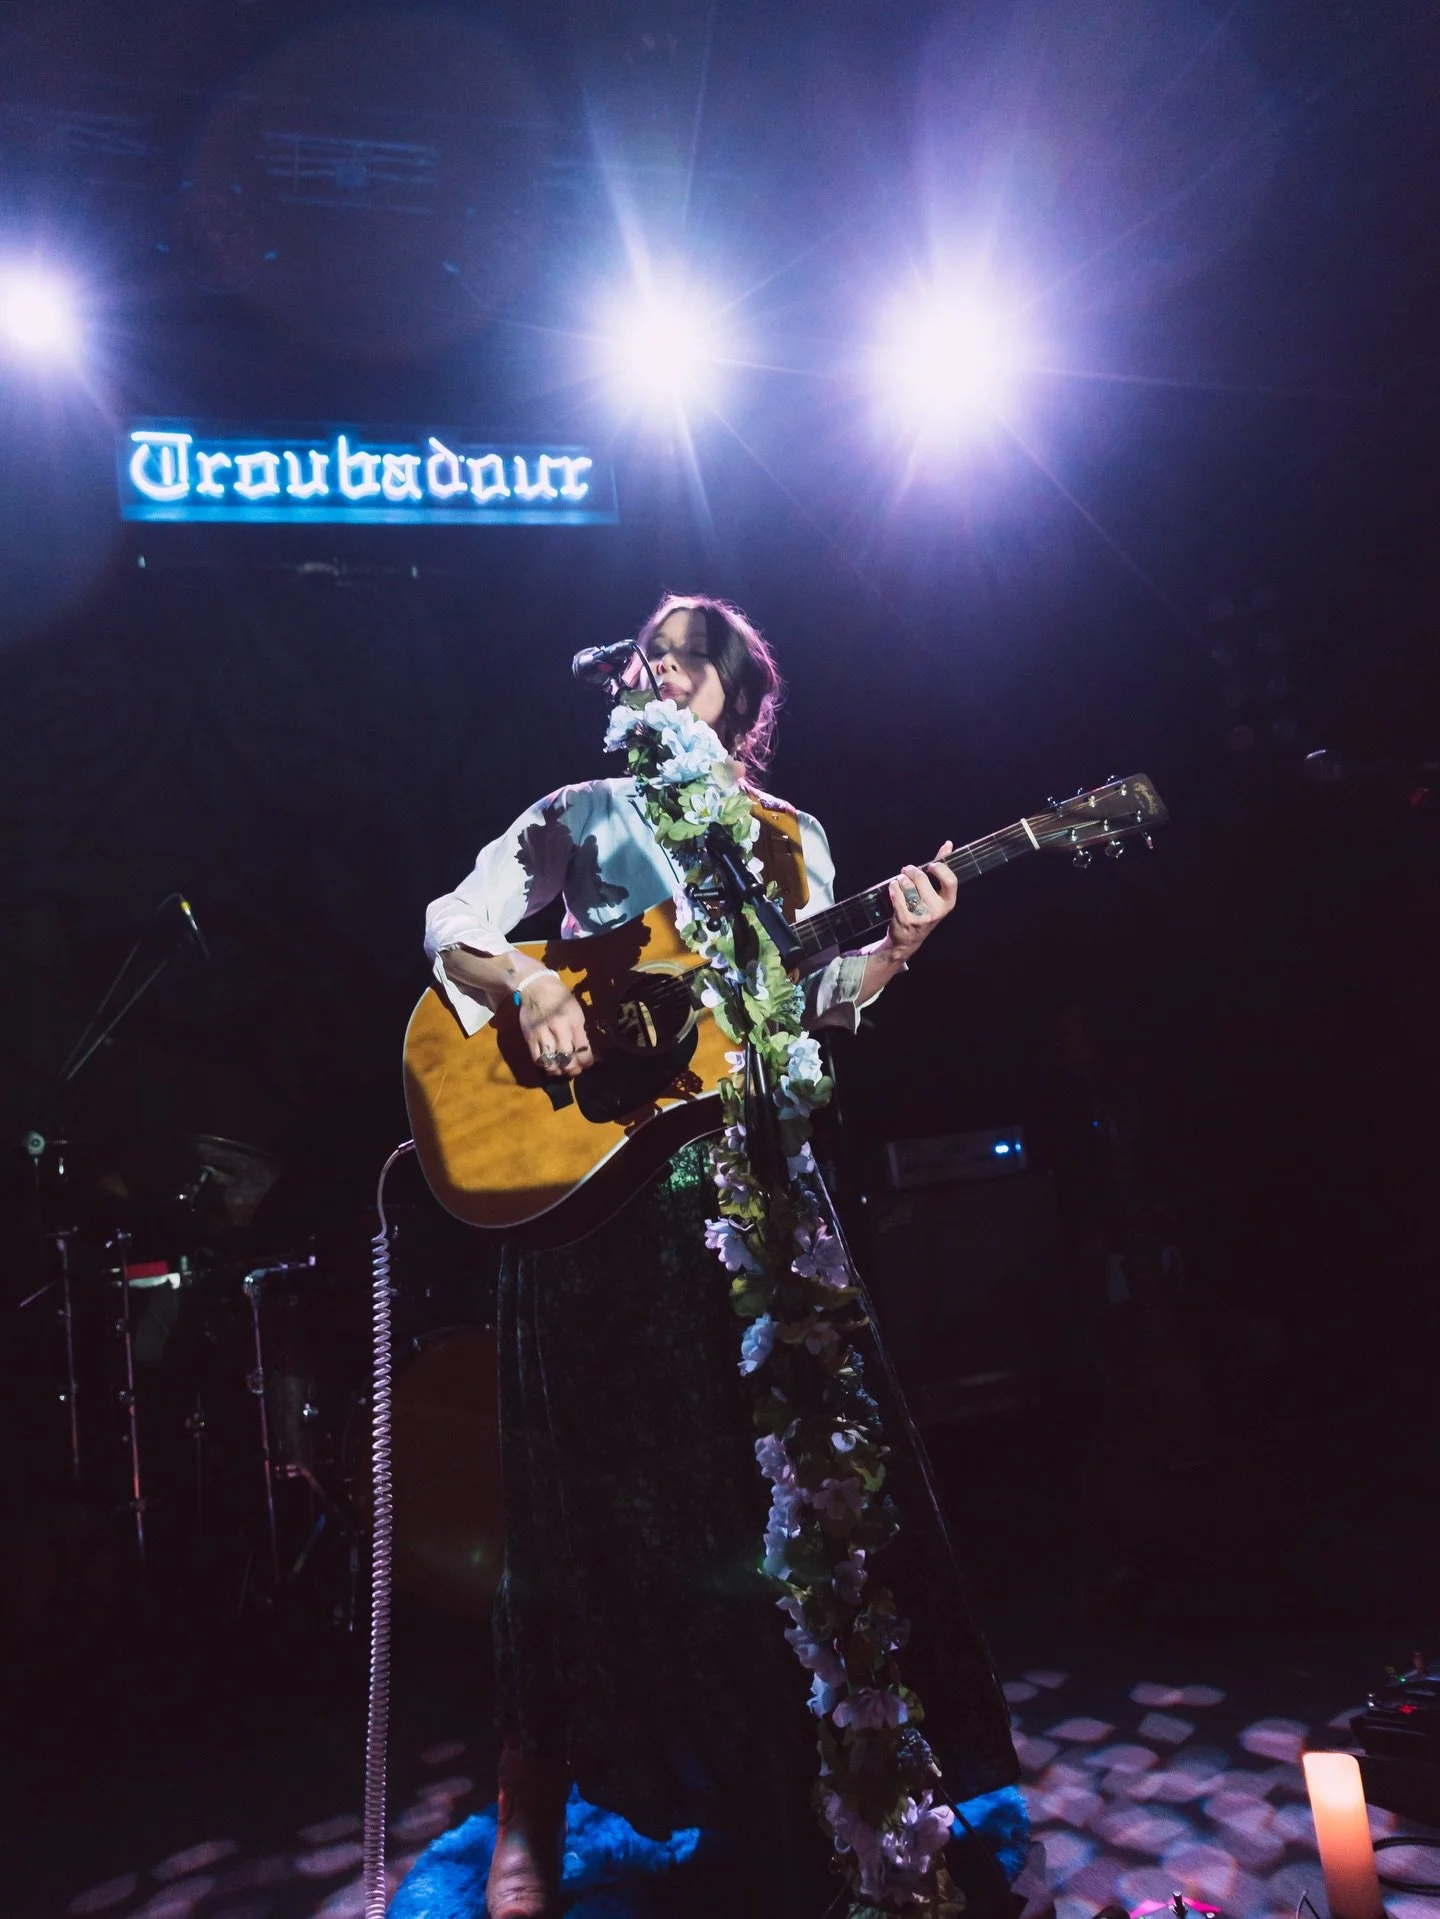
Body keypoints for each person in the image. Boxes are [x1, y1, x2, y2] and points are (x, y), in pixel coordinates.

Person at [424, 594, 1024, 1919]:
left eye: (679, 660)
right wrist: (529, 984)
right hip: (599, 1213)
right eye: (642, 658)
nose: (651, 673)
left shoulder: (790, 839)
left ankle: (797, 1785)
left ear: (733, 695)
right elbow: (452, 921)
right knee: (585, 1511)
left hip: (757, 1201)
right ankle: (543, 1792)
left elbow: (814, 1006)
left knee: (785, 1513)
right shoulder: (580, 810)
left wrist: (894, 948)